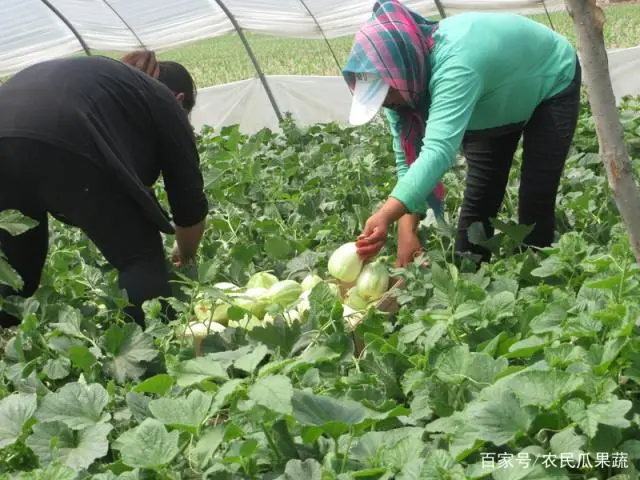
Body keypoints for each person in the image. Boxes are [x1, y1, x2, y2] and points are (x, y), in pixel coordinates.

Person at [342, 0, 582, 266]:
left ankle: (537, 273)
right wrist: (406, 228)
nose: (388, 105)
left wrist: (386, 214)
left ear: (398, 72)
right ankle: (470, 274)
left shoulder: (456, 65)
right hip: (492, 98)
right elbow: (408, 159)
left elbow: (438, 151)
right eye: (381, 101)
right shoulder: (400, 87)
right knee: (481, 190)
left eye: (387, 96)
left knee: (536, 192)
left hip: (549, 79)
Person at [0, 51, 208, 327]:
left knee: (18, 264)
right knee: (139, 257)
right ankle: (152, 352)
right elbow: (189, 204)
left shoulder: (113, 84)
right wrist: (187, 255)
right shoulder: (162, 101)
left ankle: (8, 345)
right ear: (179, 99)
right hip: (65, 130)